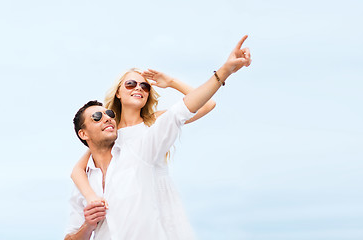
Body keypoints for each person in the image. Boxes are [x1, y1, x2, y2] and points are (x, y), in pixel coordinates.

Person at [64, 35, 252, 240]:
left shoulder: (154, 122)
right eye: (131, 84)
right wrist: (92, 199)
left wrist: (171, 82)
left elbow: (205, 105)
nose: (138, 88)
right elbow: (80, 169)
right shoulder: (111, 132)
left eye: (145, 86)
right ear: (118, 92)